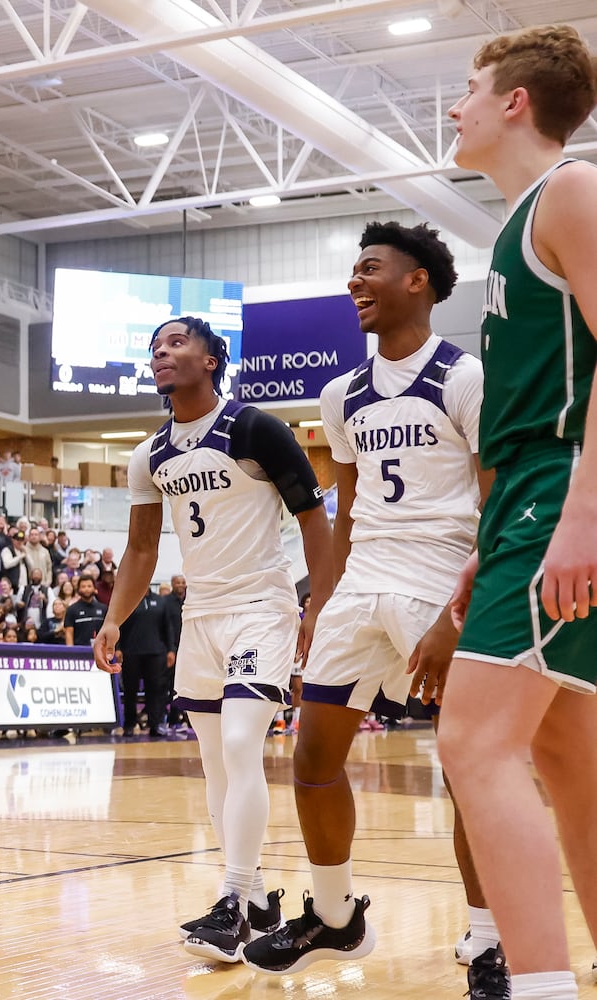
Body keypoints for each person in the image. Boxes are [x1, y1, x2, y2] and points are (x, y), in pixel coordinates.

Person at [241, 222, 494, 982]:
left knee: (469, 772)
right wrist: (319, 601)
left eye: (370, 269)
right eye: (352, 271)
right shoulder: (338, 393)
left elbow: (495, 497)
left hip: (439, 578)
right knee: (312, 757)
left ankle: (489, 937)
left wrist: (466, 612)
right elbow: (345, 511)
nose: (354, 282)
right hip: (359, 586)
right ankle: (334, 917)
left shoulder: (465, 377)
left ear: (416, 281)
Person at [433, 28, 597, 1000]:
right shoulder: (513, 224)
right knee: (564, 755)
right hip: (527, 504)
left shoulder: (571, 192)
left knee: (472, 744)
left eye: (465, 88)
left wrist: (577, 514)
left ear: (513, 103)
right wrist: (487, 544)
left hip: (559, 493)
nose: (452, 105)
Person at [94, 315, 333, 965]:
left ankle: (230, 902)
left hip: (260, 605)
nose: (160, 353)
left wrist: (317, 606)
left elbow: (314, 518)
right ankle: (255, 900)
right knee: (212, 766)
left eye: (175, 342)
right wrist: (114, 618)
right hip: (199, 617)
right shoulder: (148, 455)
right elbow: (141, 547)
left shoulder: (254, 427)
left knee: (238, 743)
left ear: (210, 358)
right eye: (154, 346)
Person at [118, 586, 176, 737]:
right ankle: (129, 725)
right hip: (131, 652)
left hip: (156, 652)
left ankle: (155, 724)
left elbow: (167, 627)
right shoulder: (127, 599)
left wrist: (171, 649)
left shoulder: (160, 601)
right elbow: (118, 625)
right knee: (130, 690)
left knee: (156, 689)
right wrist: (118, 647)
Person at [62, 574, 106, 646]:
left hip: (100, 650)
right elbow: (69, 633)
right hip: (79, 652)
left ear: (94, 588)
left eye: (89, 586)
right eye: (83, 586)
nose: (86, 589)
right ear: (78, 589)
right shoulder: (71, 609)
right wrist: (70, 652)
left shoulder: (103, 608)